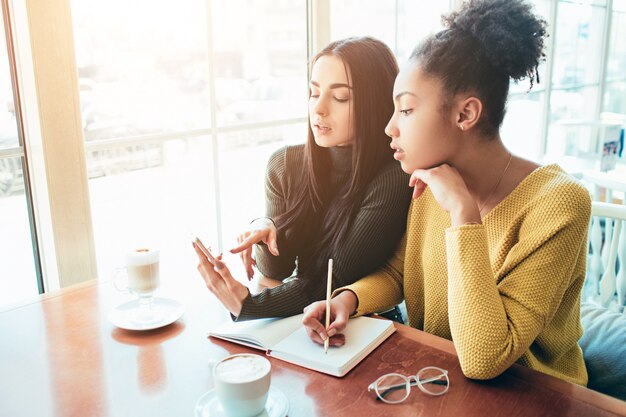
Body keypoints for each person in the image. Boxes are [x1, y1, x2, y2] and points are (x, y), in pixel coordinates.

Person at [302, 0, 591, 385]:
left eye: (405, 110)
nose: (390, 127)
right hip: (436, 379)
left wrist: (462, 213)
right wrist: (347, 300)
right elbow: (398, 274)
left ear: (465, 114)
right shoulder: (434, 181)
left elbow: (485, 357)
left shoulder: (559, 203)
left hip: (533, 396)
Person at [193, 37, 412, 321]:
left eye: (340, 97)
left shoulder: (394, 177)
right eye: (313, 92)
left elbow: (332, 279)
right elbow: (275, 271)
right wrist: (268, 229)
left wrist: (249, 306)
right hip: (300, 313)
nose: (318, 109)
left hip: (368, 324)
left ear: (376, 103)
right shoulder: (284, 165)